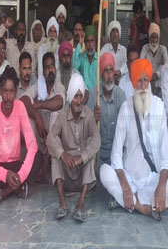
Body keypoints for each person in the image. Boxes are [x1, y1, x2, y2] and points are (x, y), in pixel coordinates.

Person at [100, 59, 168, 220]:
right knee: (104, 171)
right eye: (139, 80)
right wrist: (125, 187)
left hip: (150, 178)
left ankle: (127, 201)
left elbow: (165, 153)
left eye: (146, 80)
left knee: (167, 188)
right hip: (128, 177)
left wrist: (160, 186)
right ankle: (142, 207)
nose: (143, 85)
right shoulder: (125, 108)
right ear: (133, 83)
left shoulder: (159, 107)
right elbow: (116, 153)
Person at [0, 68, 40, 205]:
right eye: (5, 91)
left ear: (16, 92)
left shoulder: (20, 107)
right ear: (0, 91)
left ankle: (5, 191)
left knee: (38, 157)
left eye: (11, 91)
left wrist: (21, 174)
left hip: (15, 166)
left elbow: (32, 145)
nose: (8, 96)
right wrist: (5, 174)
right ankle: (19, 187)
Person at [47, 73, 100, 222]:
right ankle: (62, 201)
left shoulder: (89, 115)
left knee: (90, 156)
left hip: (83, 177)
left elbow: (96, 140)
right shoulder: (63, 115)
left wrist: (81, 157)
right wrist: (63, 155)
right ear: (70, 98)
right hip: (66, 177)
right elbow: (51, 138)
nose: (78, 100)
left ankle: (81, 202)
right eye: (75, 96)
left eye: (80, 96)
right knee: (55, 154)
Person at [21, 52, 65, 182]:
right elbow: (23, 99)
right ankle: (33, 159)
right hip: (41, 135)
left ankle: (46, 163)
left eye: (52, 66)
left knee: (55, 115)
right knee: (28, 118)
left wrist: (38, 105)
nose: (50, 69)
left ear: (55, 68)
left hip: (55, 138)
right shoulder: (39, 86)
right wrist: (36, 117)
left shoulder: (59, 86)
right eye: (47, 67)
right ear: (43, 71)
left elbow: (59, 103)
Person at [93, 53, 126, 166]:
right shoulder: (94, 94)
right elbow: (85, 127)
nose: (109, 75)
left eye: (111, 70)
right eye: (105, 71)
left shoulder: (120, 95)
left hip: (116, 152)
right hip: (97, 153)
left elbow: (125, 129)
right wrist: (92, 118)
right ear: (101, 75)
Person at [73, 25, 99, 108]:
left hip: (98, 100)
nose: (90, 44)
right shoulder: (81, 57)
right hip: (83, 101)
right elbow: (73, 66)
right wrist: (79, 44)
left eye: (92, 41)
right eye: (87, 41)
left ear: (95, 42)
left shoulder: (100, 59)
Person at [140, 22, 168, 95]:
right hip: (146, 82)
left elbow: (167, 67)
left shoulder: (163, 49)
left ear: (158, 38)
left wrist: (157, 75)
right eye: (152, 37)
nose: (154, 40)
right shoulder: (144, 48)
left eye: (156, 37)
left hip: (160, 85)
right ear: (149, 38)